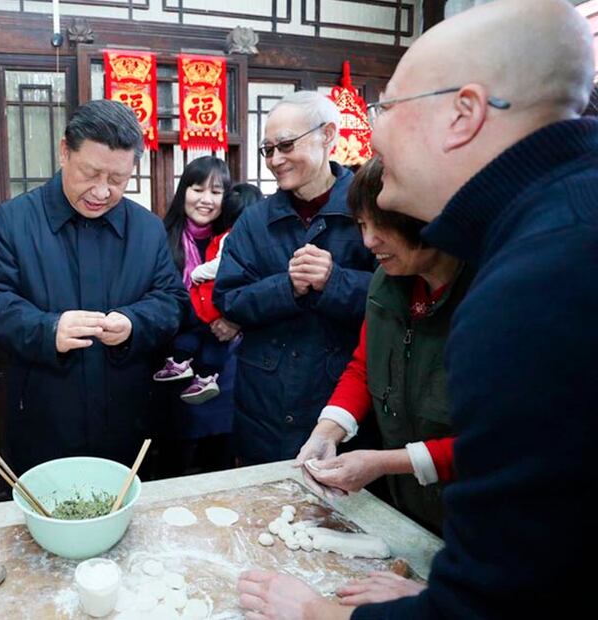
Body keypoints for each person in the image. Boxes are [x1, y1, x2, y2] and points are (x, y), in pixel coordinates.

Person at [237, 1, 598, 617]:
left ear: (464, 114)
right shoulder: (560, 217)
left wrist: (323, 613)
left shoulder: (538, 281)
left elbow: (505, 601)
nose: (370, 133)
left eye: (386, 108)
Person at [0, 99, 186, 473]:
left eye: (117, 180)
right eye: (91, 173)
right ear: (65, 151)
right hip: (46, 418)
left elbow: (172, 303)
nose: (102, 191)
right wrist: (48, 329)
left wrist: (133, 323)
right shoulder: (16, 220)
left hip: (128, 422)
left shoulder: (147, 229)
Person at [294, 157, 473, 534]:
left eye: (384, 224)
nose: (368, 241)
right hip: (412, 502)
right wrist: (327, 432)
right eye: (362, 224)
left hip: (477, 511)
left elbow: (499, 441)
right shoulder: (388, 281)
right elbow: (365, 366)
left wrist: (384, 462)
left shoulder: (488, 295)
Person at [213, 91, 376, 465]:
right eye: (267, 150)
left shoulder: (370, 208)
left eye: (285, 145)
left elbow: (399, 300)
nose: (275, 160)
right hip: (263, 407)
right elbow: (229, 298)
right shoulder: (255, 220)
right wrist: (287, 287)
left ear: (328, 135)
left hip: (341, 405)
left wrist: (333, 281)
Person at [153, 155, 236, 405]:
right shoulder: (159, 237)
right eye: (197, 189)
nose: (206, 200)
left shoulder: (234, 240)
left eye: (216, 192)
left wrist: (235, 321)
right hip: (172, 362)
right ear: (183, 192)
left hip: (223, 365)